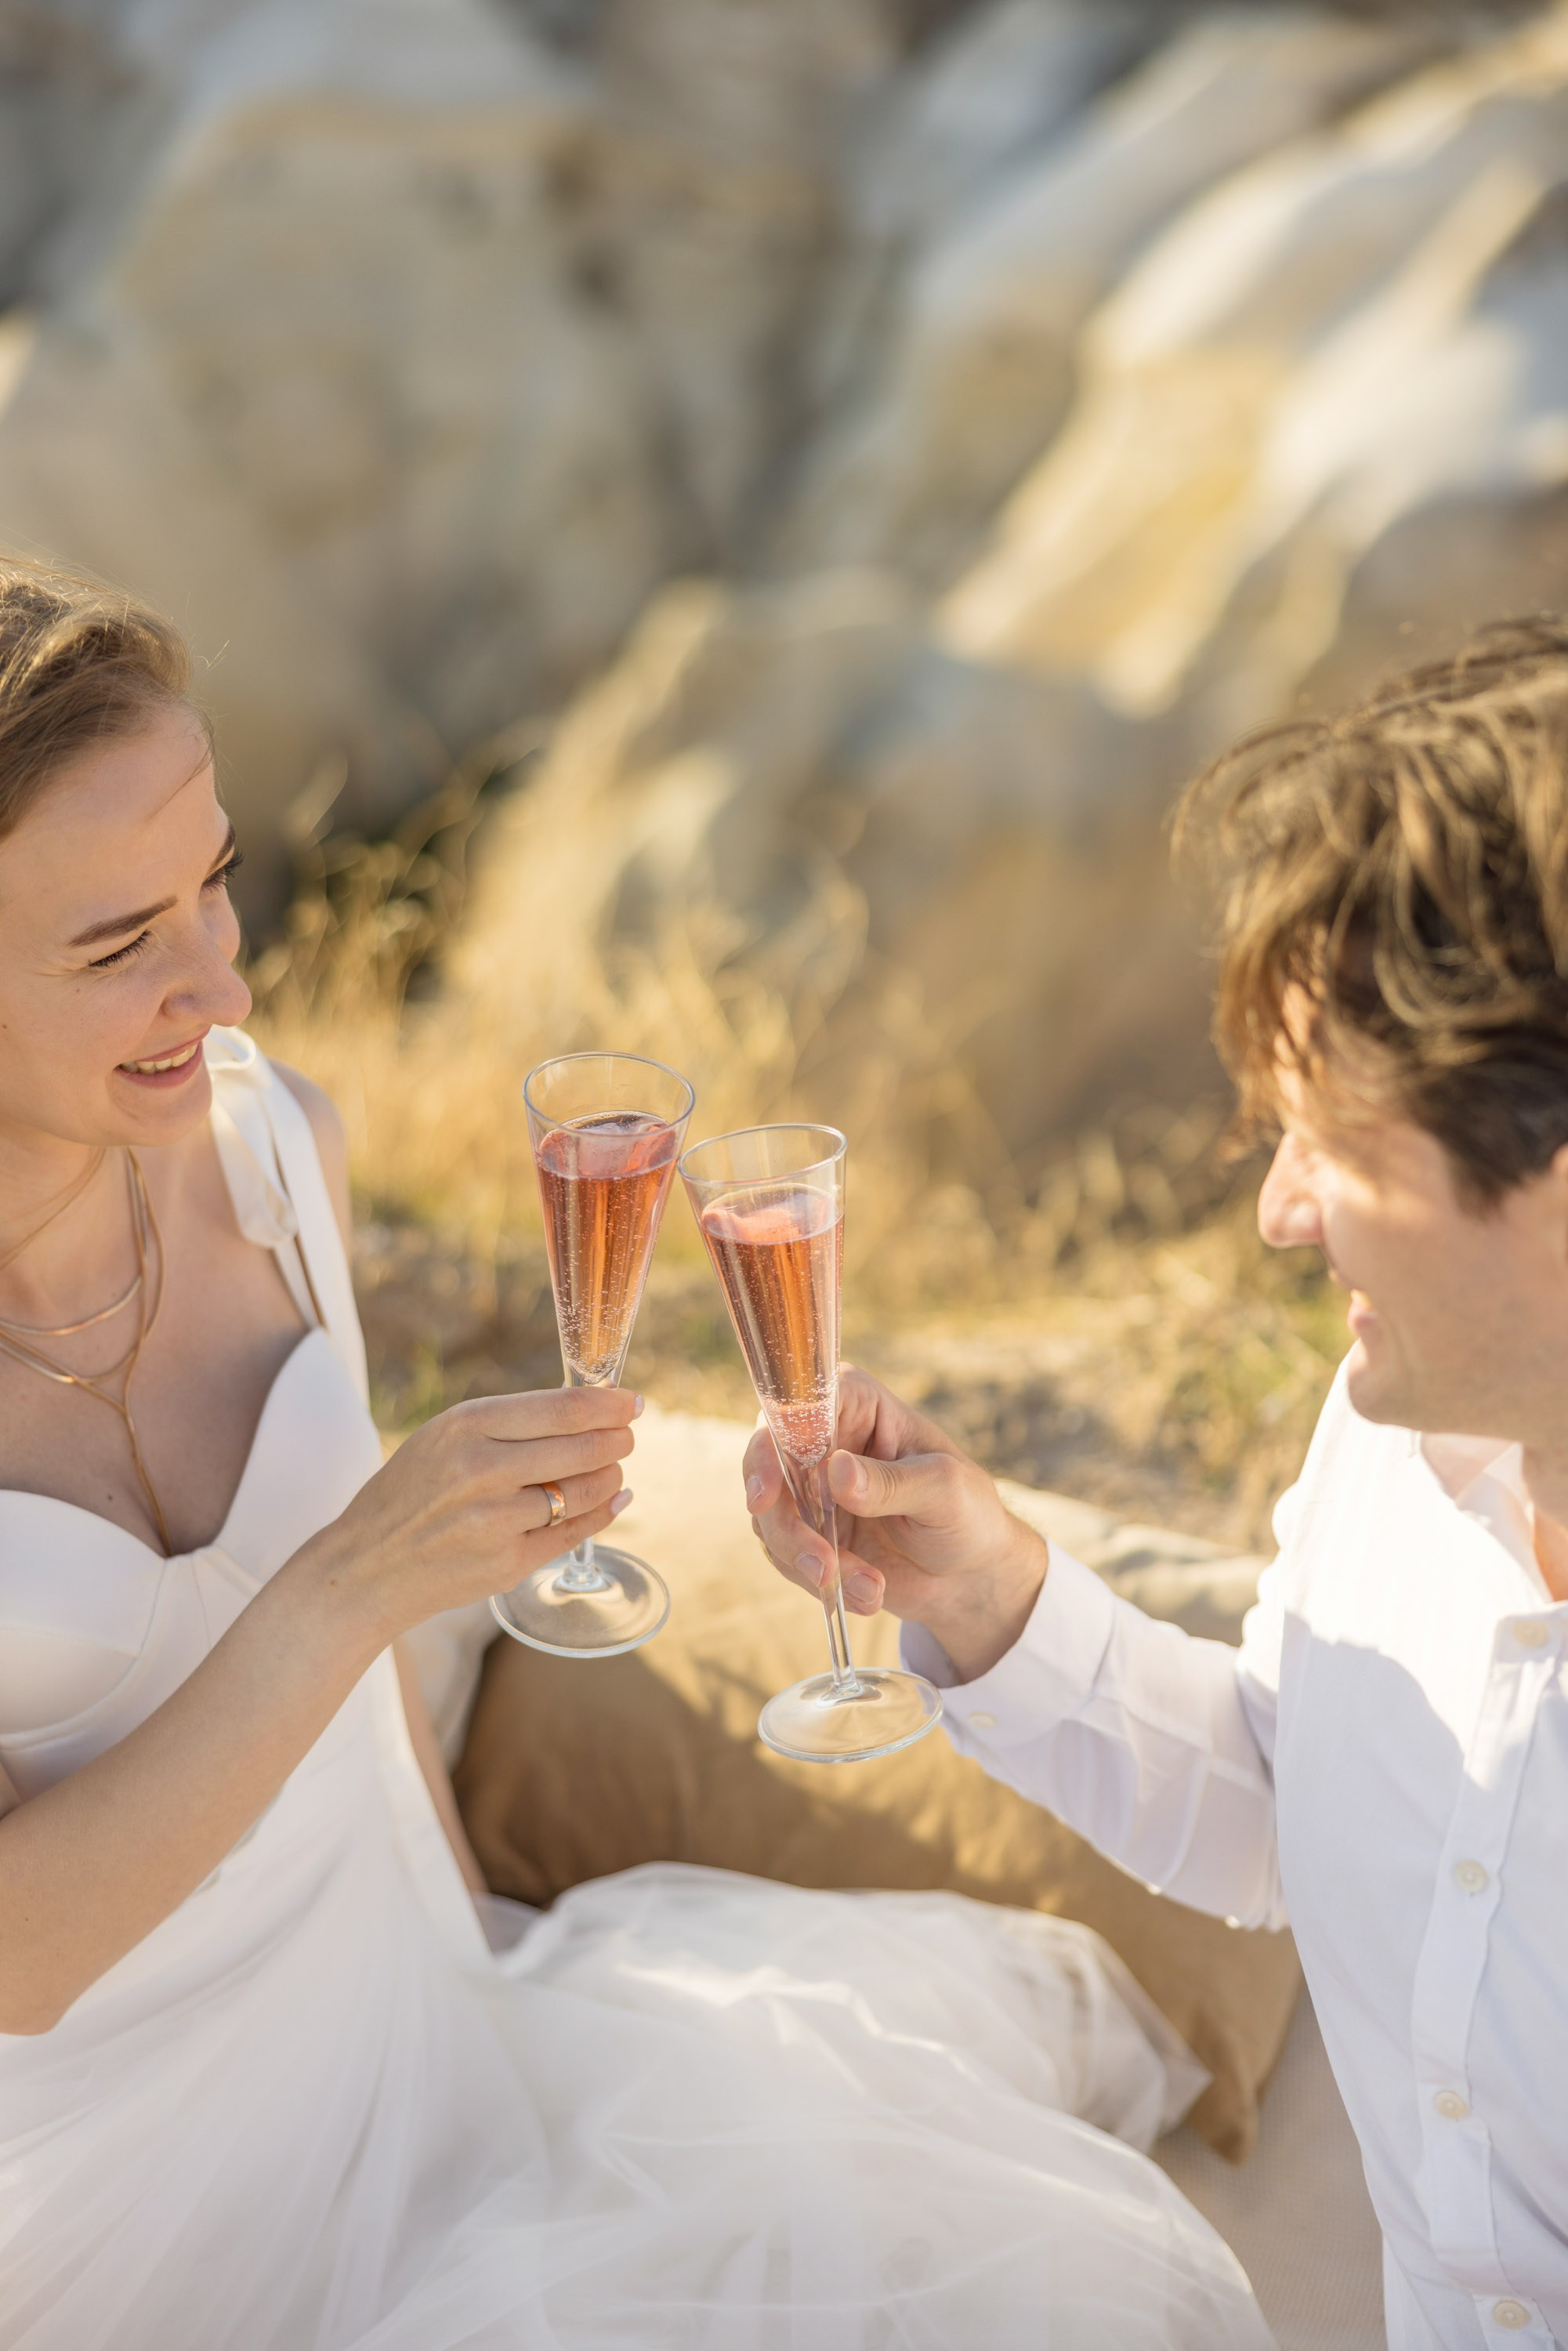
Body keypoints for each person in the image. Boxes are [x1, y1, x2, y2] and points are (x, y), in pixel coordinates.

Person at [0, 554, 1271, 2351]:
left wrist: (475, 1963)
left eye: (211, 885)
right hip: (99, 2200)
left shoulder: (278, 1151)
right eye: (117, 945)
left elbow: (365, 1741)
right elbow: (18, 1960)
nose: (220, 981)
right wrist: (357, 1579)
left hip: (407, 2019)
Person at [749, 622, 1568, 2351]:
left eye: (1330, 1145)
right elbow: (1300, 1803)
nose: (1277, 1215)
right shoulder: (1389, 1429)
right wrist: (982, 1592)